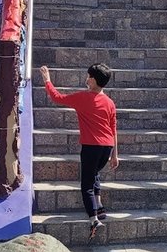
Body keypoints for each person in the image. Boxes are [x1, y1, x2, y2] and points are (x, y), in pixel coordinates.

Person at [40, 63, 119, 239]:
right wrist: (115, 155)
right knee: (95, 174)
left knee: (86, 186)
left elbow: (57, 97)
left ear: (93, 79)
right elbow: (113, 129)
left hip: (91, 147)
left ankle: (94, 219)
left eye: (88, 75)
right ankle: (99, 206)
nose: (86, 77)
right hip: (107, 148)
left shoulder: (83, 97)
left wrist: (47, 80)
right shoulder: (110, 103)